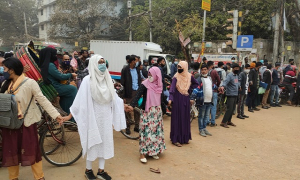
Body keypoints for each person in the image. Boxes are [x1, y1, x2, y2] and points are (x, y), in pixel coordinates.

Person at [0, 57, 66, 180]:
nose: (3, 70)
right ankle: (13, 177)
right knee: (11, 152)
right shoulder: (5, 84)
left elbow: (42, 100)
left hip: (26, 123)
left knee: (32, 151)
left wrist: (56, 115)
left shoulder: (30, 83)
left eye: (4, 68)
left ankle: (39, 177)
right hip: (9, 125)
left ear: (12, 70)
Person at [68, 55, 129, 180]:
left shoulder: (107, 79)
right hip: (93, 118)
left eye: (103, 62)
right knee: (92, 143)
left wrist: (123, 105)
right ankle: (88, 170)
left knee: (104, 143)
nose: (102, 65)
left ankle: (101, 171)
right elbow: (80, 101)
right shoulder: (87, 80)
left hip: (105, 118)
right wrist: (70, 115)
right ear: (94, 64)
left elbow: (114, 97)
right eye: (99, 62)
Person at [129, 67, 166, 163]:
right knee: (145, 132)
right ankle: (142, 153)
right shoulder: (145, 84)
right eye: (148, 74)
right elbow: (138, 95)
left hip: (157, 111)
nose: (149, 76)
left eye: (151, 74)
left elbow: (161, 98)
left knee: (155, 132)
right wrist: (132, 106)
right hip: (147, 111)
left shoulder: (160, 85)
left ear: (157, 75)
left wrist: (165, 107)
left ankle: (153, 151)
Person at [38, 47, 77, 122]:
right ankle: (71, 117)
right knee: (73, 89)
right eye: (54, 54)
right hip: (55, 87)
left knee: (67, 93)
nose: (56, 56)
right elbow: (60, 76)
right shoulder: (50, 65)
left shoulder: (44, 64)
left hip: (51, 86)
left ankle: (66, 114)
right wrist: (70, 75)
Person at [168, 61, 198, 146]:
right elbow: (172, 89)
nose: (179, 69)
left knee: (185, 118)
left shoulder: (189, 76)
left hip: (186, 99)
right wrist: (170, 99)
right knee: (177, 118)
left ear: (185, 67)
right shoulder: (176, 77)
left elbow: (196, 84)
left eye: (181, 67)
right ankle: (175, 139)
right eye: (178, 67)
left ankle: (185, 138)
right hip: (177, 99)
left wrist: (189, 89)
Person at [120, 55, 141, 134]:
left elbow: (139, 80)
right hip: (129, 92)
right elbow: (123, 83)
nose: (137, 62)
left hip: (137, 92)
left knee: (137, 110)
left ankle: (136, 126)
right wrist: (123, 96)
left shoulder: (137, 70)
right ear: (132, 61)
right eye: (135, 61)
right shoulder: (125, 70)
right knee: (128, 111)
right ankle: (127, 127)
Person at [191, 64, 213, 137]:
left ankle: (204, 128)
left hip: (209, 100)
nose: (204, 71)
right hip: (202, 101)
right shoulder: (199, 79)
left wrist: (219, 88)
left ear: (208, 70)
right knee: (201, 115)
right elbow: (196, 89)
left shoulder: (210, 78)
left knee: (206, 116)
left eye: (205, 69)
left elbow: (212, 86)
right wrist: (192, 98)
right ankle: (201, 129)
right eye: (202, 70)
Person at [218, 63, 240, 128]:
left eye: (238, 68)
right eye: (235, 68)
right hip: (230, 94)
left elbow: (236, 83)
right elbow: (225, 82)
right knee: (229, 109)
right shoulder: (230, 75)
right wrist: (222, 86)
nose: (237, 69)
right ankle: (223, 122)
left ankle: (229, 121)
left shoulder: (236, 76)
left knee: (233, 108)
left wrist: (239, 86)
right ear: (233, 69)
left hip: (235, 94)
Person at [207, 61, 221, 127]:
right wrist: (216, 86)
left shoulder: (205, 71)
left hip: (207, 90)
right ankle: (212, 122)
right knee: (213, 106)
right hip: (214, 90)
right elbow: (219, 80)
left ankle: (207, 121)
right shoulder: (214, 72)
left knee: (207, 106)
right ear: (212, 65)